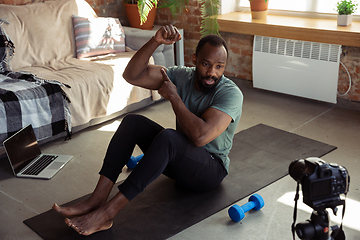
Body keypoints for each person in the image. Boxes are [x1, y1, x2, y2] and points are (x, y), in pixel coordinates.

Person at [52, 24, 243, 236]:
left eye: (219, 67)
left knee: (169, 138)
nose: (212, 72)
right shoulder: (182, 76)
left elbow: (200, 137)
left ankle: (108, 213)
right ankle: (97, 198)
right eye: (206, 64)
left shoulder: (230, 94)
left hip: (210, 171)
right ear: (195, 59)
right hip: (180, 163)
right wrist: (155, 41)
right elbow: (132, 75)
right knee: (132, 122)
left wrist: (174, 97)